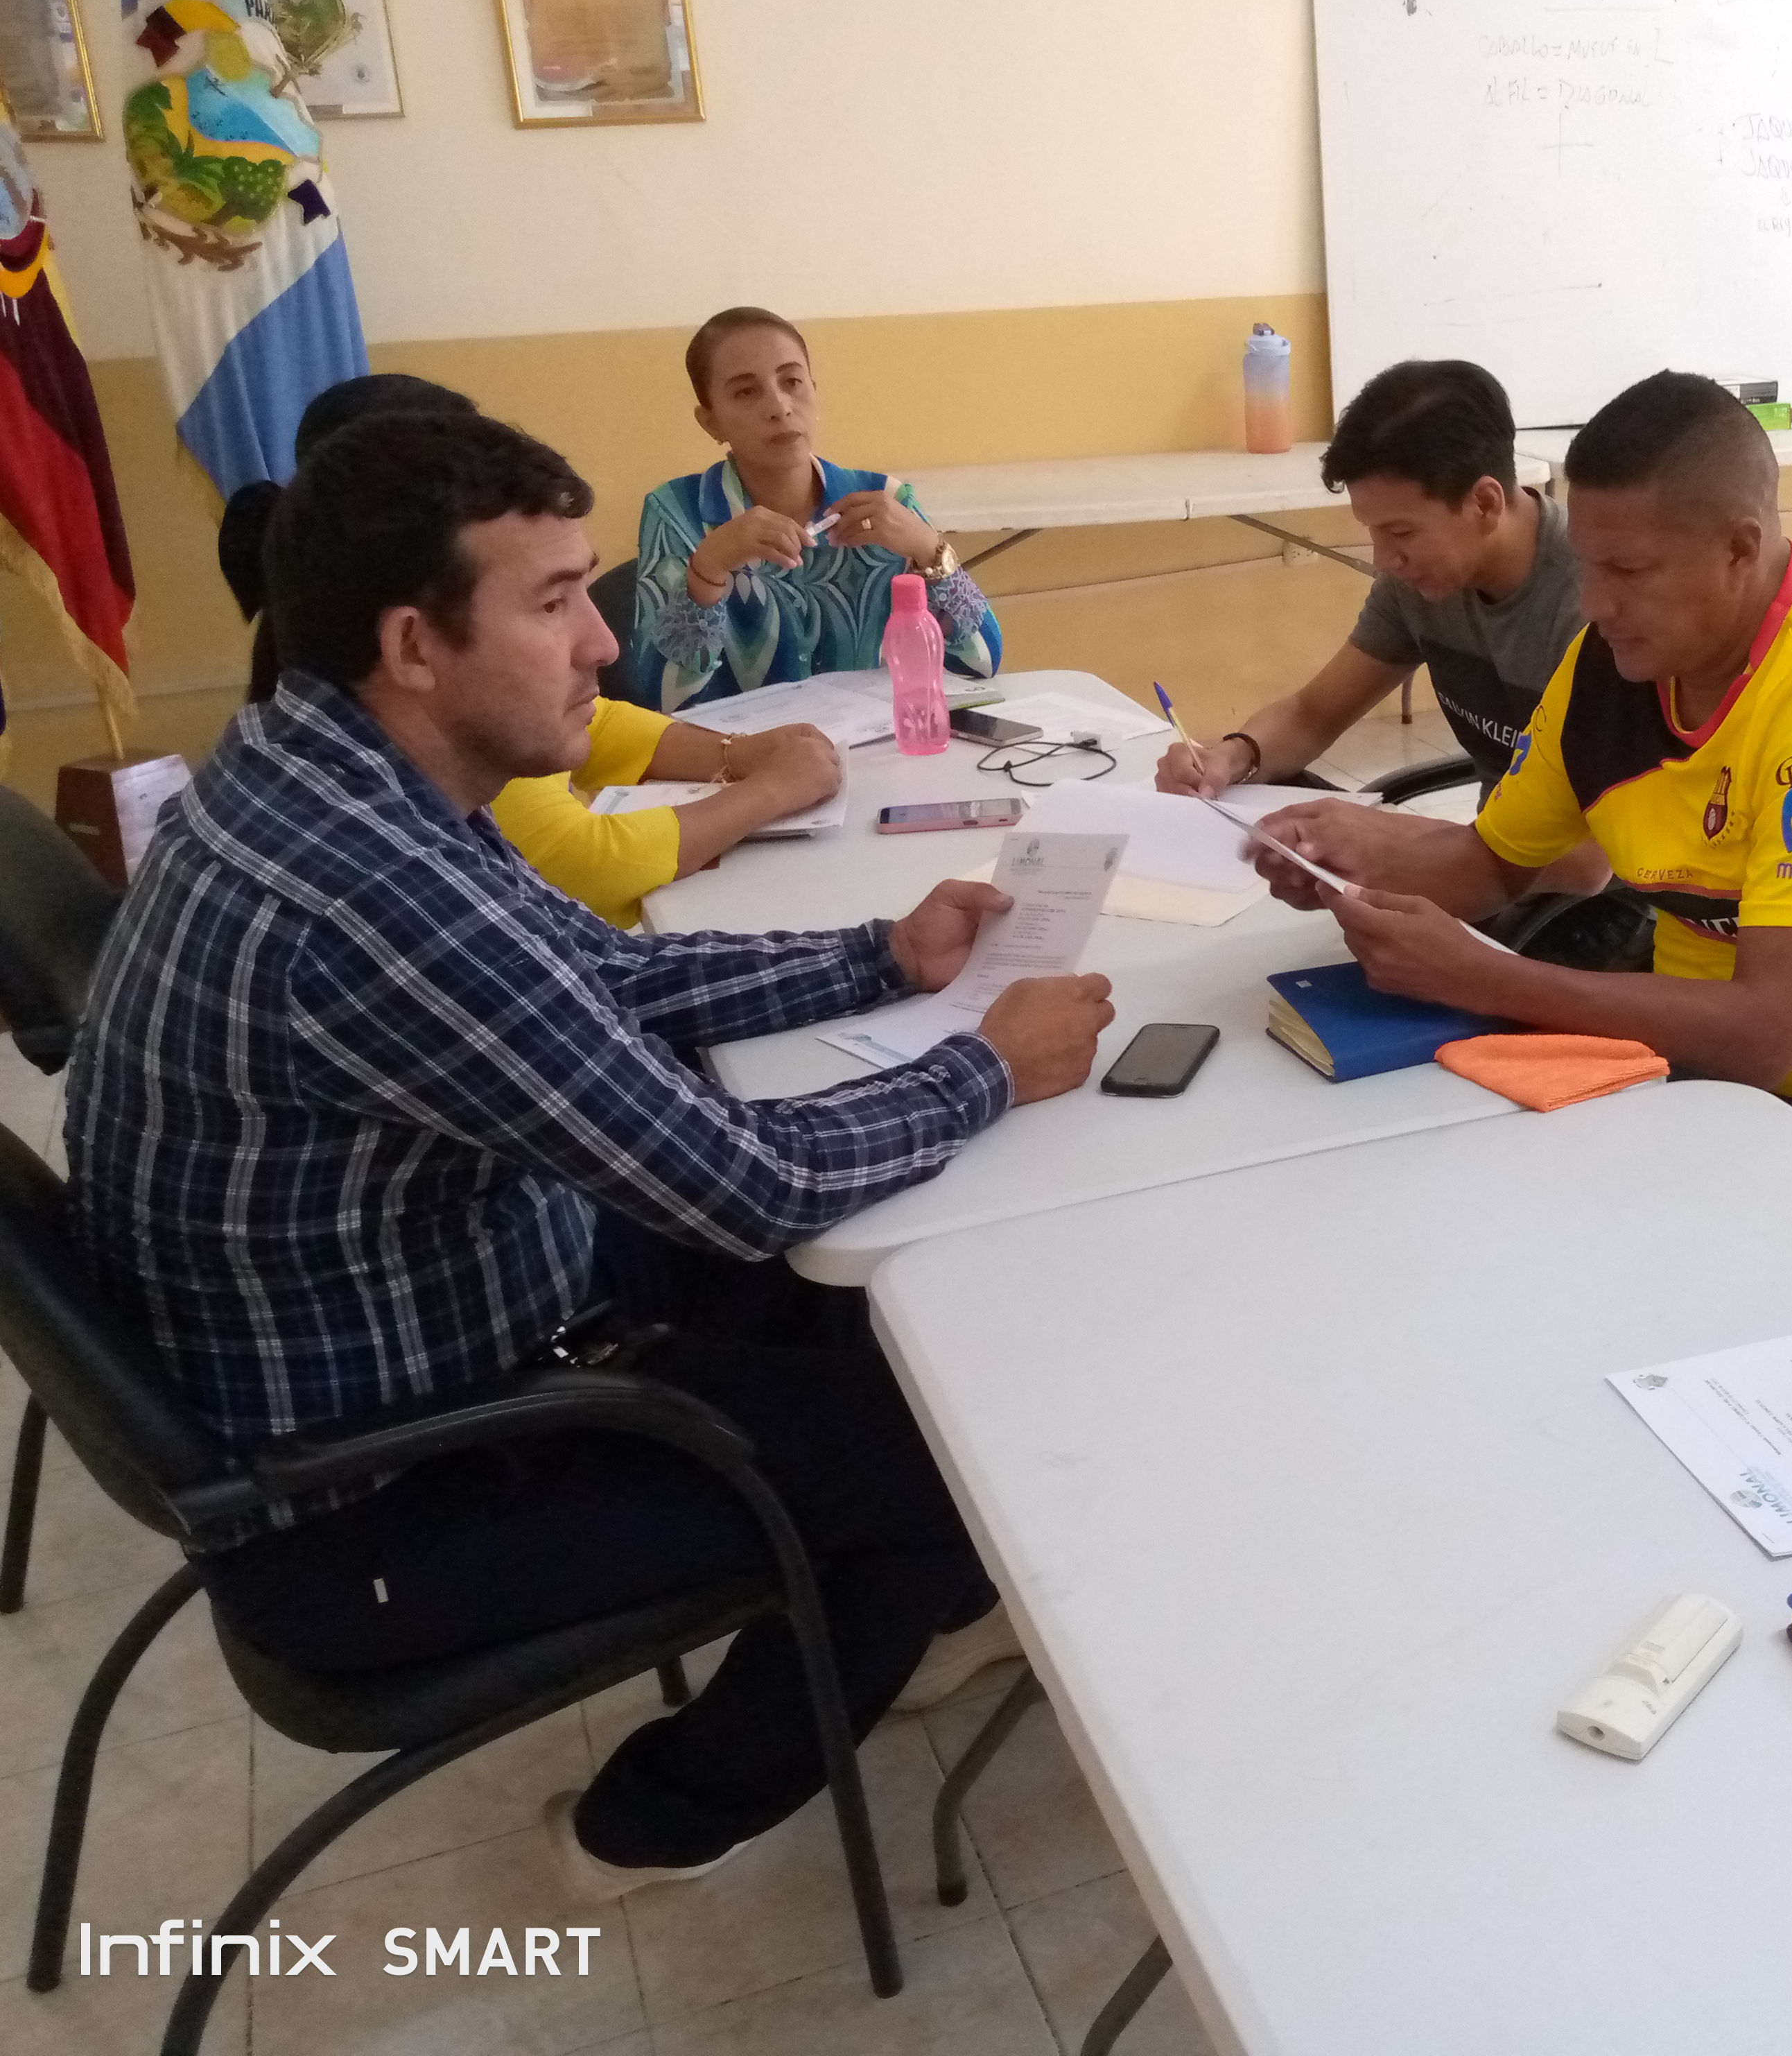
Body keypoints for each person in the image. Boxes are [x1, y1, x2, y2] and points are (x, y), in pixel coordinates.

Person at [67, 410, 1115, 1895]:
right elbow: (748, 1183)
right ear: (414, 644)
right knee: (960, 1449)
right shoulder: (371, 899)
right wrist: (986, 1068)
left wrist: (881, 955)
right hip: (386, 1497)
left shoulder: (332, 770)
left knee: (873, 1322)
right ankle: (650, 1826)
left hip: (438, 1317)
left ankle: (910, 1600)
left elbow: (598, 976)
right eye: (556, 602)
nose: (603, 644)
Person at [1245, 370, 1792, 1212]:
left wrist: (1482, 977)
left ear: (1739, 548)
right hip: (1697, 1077)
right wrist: (1343, 876)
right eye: (1586, 565)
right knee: (1455, 1201)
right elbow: (1490, 866)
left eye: (1627, 569)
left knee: (1595, 1246)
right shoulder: (1607, 671)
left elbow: (1764, 1033)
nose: (1594, 604)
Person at [219, 372, 841, 927]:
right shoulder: (391, 868)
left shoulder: (331, 724)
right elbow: (580, 866)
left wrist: (735, 753)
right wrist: (768, 792)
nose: (605, 646)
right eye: (550, 604)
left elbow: (596, 722)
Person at [1154, 358, 1584, 806]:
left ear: (1485, 503)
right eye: (1373, 531)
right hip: (1495, 841)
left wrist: (1391, 838)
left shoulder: (1593, 604)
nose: (1384, 561)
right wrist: (1231, 757)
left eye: (1401, 532)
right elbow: (1312, 716)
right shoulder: (1419, 583)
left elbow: (1593, 843)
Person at [629, 306, 1004, 711]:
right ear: (711, 422)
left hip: (877, 740)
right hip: (744, 748)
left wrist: (930, 551)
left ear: (813, 389)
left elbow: (982, 664)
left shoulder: (885, 500)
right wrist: (708, 571)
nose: (780, 407)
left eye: (792, 381)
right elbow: (659, 699)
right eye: (746, 392)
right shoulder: (678, 512)